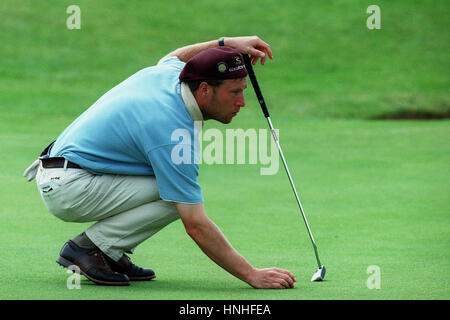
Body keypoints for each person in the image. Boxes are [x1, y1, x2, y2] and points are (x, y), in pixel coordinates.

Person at [24, 36, 296, 289]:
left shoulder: (172, 76)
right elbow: (196, 225)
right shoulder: (173, 132)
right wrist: (251, 274)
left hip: (67, 173)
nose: (242, 102)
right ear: (203, 90)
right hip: (69, 189)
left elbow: (175, 55)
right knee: (178, 197)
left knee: (177, 190)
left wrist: (226, 42)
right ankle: (92, 248)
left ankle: (106, 251)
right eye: (234, 92)